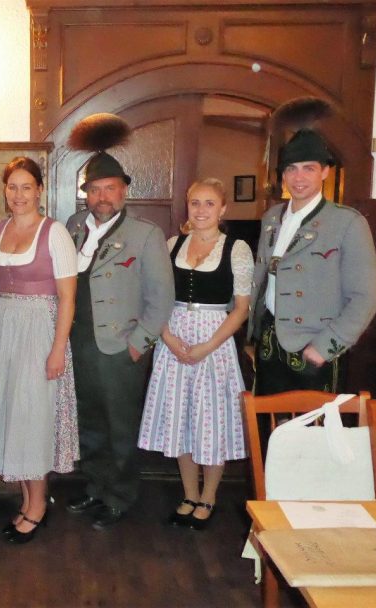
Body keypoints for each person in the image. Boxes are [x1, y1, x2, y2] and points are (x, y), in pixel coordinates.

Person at [64, 114, 174, 530]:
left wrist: (138, 344)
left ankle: (120, 496)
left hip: (120, 346)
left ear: (124, 190)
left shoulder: (146, 234)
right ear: (86, 195)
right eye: (94, 189)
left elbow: (161, 298)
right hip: (78, 342)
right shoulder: (73, 227)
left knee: (119, 426)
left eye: (110, 188)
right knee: (88, 421)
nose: (102, 196)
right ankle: (96, 487)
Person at [138, 178, 252, 529]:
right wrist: (167, 337)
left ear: (223, 209)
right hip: (174, 338)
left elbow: (241, 309)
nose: (201, 210)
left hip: (214, 342)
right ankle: (189, 493)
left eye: (209, 203)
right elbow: (155, 297)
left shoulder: (236, 249)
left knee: (211, 421)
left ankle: (209, 496)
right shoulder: (172, 245)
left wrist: (207, 346)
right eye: (195, 203)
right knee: (181, 420)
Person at [248, 125, 376, 395]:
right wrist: (254, 335)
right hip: (270, 342)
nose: (298, 177)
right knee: (267, 420)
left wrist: (326, 347)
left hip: (315, 348)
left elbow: (366, 296)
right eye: (291, 169)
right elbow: (261, 281)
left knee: (314, 423)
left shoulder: (347, 222)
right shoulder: (271, 218)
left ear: (324, 172)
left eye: (308, 168)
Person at [0, 157, 79, 544]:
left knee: (32, 416)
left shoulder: (54, 232)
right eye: (12, 187)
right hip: (4, 327)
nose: (19, 194)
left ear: (40, 190)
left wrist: (57, 349)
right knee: (12, 413)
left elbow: (68, 297)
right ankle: (27, 499)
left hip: (41, 327)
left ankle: (38, 506)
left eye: (26, 187)